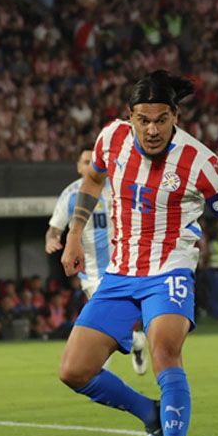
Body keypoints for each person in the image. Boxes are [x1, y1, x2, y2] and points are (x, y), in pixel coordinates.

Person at [57, 70, 218, 436]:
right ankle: (151, 415)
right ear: (129, 117)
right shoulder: (111, 139)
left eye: (160, 119)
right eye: (142, 119)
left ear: (175, 116)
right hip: (119, 272)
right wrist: (75, 233)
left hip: (170, 270)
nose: (151, 130)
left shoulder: (199, 161)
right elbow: (94, 180)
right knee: (73, 370)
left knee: (164, 351)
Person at [46, 149, 148, 374]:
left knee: (122, 314)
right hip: (91, 270)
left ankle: (133, 345)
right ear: (78, 166)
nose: (91, 165)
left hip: (124, 264)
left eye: (94, 161)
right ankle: (113, 356)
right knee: (106, 312)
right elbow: (54, 229)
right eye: (85, 162)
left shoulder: (118, 188)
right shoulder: (71, 194)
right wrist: (51, 240)